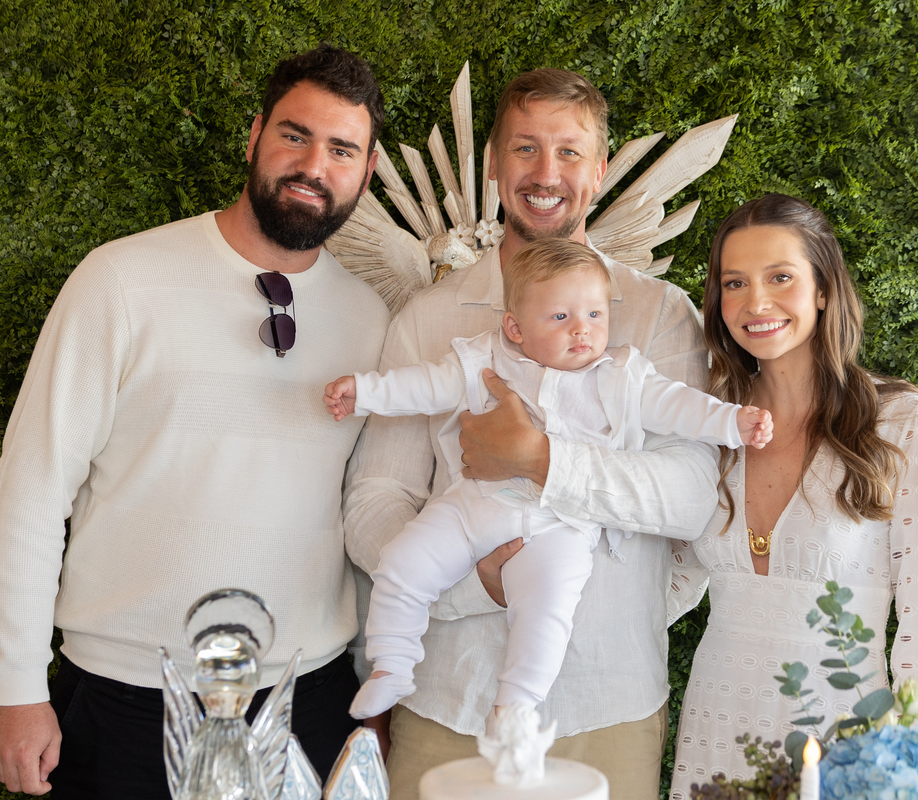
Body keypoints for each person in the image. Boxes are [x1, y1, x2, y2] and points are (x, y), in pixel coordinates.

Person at [0, 44, 391, 797]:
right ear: (255, 135)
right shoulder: (120, 281)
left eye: (341, 150)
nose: (313, 166)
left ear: (366, 173)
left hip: (309, 699)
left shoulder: (371, 322)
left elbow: (365, 517)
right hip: (125, 696)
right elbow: (32, 488)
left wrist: (372, 690)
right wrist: (17, 685)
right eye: (294, 135)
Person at [343, 68, 722, 800]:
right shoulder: (429, 319)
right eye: (525, 148)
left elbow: (693, 498)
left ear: (600, 169)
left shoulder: (658, 315)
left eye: (569, 152)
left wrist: (541, 460)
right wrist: (471, 583)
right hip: (449, 698)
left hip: (609, 703)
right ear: (493, 162)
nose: (546, 174)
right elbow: (375, 498)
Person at [327, 240, 771, 726]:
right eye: (560, 317)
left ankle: (515, 705)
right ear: (515, 327)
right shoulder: (485, 359)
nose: (582, 329)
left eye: (595, 315)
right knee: (402, 562)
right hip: (475, 504)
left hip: (560, 525)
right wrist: (364, 392)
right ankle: (392, 666)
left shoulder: (623, 376)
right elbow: (421, 386)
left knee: (547, 610)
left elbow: (681, 408)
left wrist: (732, 422)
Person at [668, 194, 918, 799]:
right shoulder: (706, 424)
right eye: (734, 283)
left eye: (780, 277)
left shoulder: (906, 424)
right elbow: (663, 579)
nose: (756, 303)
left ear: (824, 289)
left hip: (847, 743)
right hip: (717, 730)